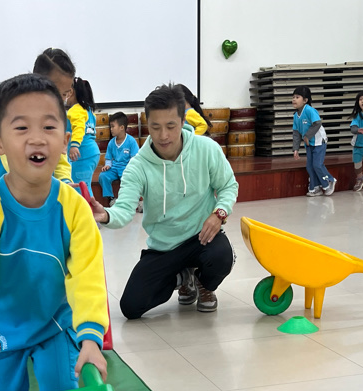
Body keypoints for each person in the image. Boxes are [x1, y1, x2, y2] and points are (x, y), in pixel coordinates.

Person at [0, 73, 108, 391]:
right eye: (22, 128)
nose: (37, 139)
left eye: (49, 127)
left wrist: (91, 338)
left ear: (65, 140)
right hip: (1, 329)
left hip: (54, 324)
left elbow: (88, 277)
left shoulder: (74, 210)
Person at [90, 83, 238, 317]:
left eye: (171, 126)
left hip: (202, 237)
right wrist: (106, 215)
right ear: (147, 124)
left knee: (221, 257)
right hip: (164, 247)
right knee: (131, 307)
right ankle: (182, 278)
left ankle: (204, 283)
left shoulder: (206, 149)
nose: (163, 136)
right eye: (155, 127)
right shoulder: (138, 165)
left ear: (183, 121)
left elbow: (228, 185)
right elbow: (125, 209)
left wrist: (219, 213)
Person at [0, 49, 74, 199]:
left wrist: (65, 182)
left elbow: (61, 164)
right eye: (22, 128)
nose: (55, 100)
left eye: (63, 95)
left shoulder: (53, 138)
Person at [292, 85, 336, 197]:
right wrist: (296, 149)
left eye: (297, 97)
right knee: (310, 166)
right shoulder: (295, 116)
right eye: (293, 97)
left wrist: (307, 136)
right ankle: (315, 187)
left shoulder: (310, 110)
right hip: (309, 144)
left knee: (317, 165)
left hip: (319, 142)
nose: (294, 99)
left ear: (305, 100)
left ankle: (329, 181)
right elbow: (296, 133)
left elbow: (317, 123)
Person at [65, 76, 100, 191]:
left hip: (82, 154)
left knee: (79, 187)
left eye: (66, 91)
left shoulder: (75, 110)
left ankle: (86, 203)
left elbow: (79, 128)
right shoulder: (88, 110)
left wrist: (74, 145)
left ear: (71, 92)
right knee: (85, 185)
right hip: (92, 153)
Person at [99, 112, 139, 206]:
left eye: (113, 126)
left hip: (126, 168)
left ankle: (133, 200)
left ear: (121, 127)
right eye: (110, 127)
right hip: (114, 168)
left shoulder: (131, 141)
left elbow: (135, 158)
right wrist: (107, 165)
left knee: (129, 179)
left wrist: (131, 170)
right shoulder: (111, 143)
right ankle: (111, 198)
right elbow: (108, 158)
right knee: (103, 176)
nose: (111, 129)